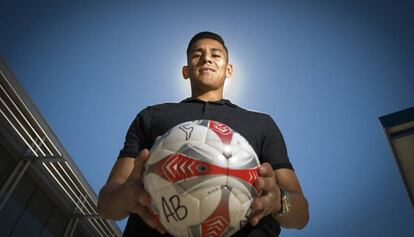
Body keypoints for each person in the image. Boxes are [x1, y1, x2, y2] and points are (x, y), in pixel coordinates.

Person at [97, 31, 309, 236]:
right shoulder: (151, 115)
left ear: (228, 70)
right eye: (197, 55)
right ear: (185, 71)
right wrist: (125, 196)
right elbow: (106, 205)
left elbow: (301, 215)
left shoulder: (262, 123)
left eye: (216, 55)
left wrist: (278, 201)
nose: (206, 58)